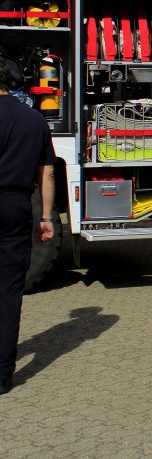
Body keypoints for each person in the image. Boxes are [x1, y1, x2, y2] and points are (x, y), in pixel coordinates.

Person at [0, 58, 56, 395]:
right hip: (15, 205)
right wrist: (46, 217)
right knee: (7, 291)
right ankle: (3, 374)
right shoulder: (34, 119)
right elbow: (47, 173)